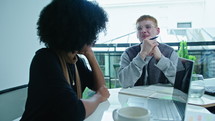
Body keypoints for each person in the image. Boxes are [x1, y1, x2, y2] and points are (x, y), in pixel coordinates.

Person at [20, 0, 109, 121]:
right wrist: (98, 97)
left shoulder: (76, 61)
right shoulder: (45, 59)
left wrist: (90, 55)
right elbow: (74, 112)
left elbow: (101, 87)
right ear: (79, 31)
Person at [118, 15, 179, 88]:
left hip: (162, 97)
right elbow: (124, 83)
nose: (143, 31)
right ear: (137, 34)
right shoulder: (128, 53)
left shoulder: (170, 52)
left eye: (148, 27)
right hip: (135, 97)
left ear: (158, 31)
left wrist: (160, 59)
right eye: (139, 28)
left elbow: (179, 81)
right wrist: (142, 55)